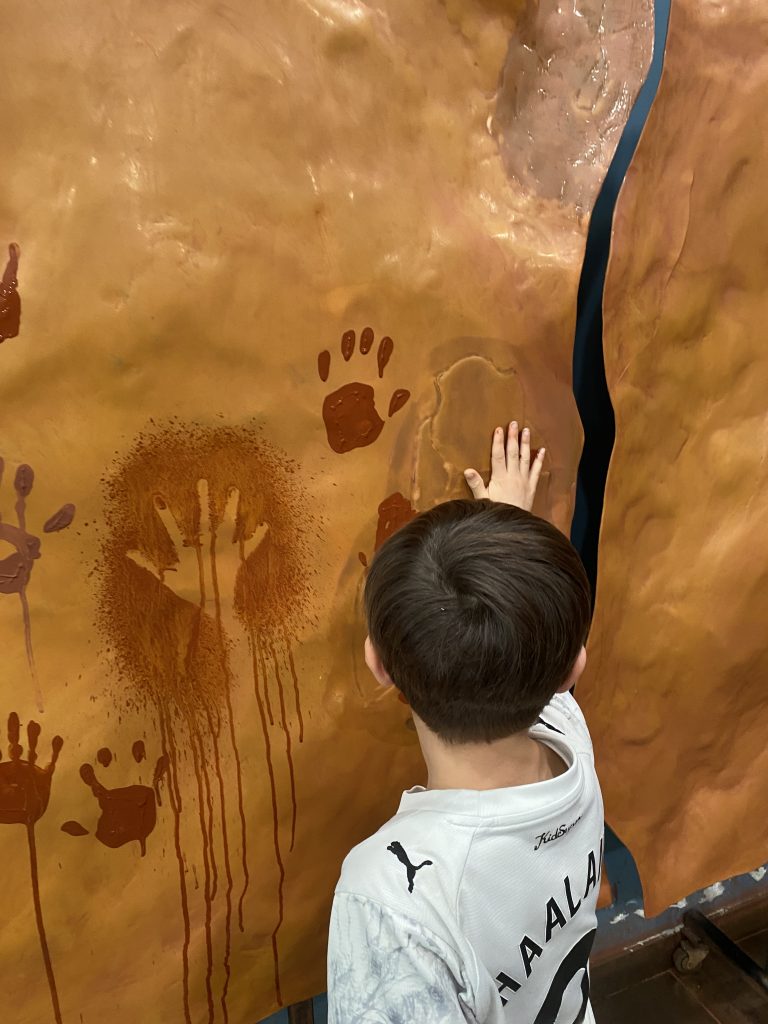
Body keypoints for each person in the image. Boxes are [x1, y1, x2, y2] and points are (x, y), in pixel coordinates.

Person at [327, 423, 604, 1023]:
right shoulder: (570, 740)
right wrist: (505, 535)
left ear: (378, 664)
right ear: (572, 670)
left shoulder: (389, 902)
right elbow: (524, 649)